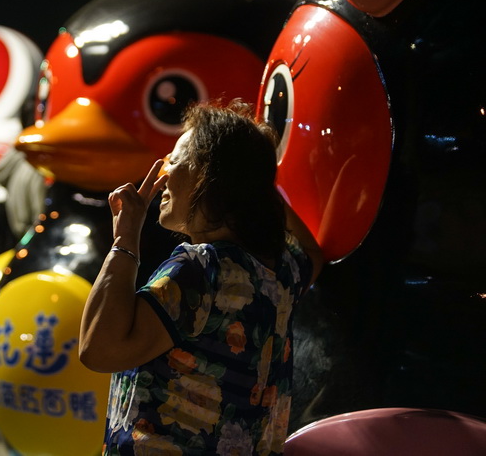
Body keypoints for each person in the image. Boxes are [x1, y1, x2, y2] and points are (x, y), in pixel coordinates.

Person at [79, 99, 325, 455]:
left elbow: (97, 350)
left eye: (174, 162)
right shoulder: (282, 274)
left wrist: (124, 241)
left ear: (210, 176)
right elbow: (312, 252)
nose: (162, 175)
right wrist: (255, 180)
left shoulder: (199, 269)